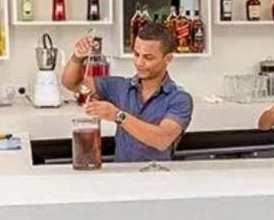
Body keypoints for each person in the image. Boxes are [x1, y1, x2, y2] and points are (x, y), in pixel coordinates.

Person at [62, 22, 193, 163]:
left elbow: (162, 139)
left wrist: (118, 115)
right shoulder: (120, 87)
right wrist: (77, 57)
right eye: (136, 54)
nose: (139, 63)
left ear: (168, 58)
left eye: (148, 57)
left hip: (157, 174)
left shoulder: (179, 99)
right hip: (122, 174)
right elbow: (72, 84)